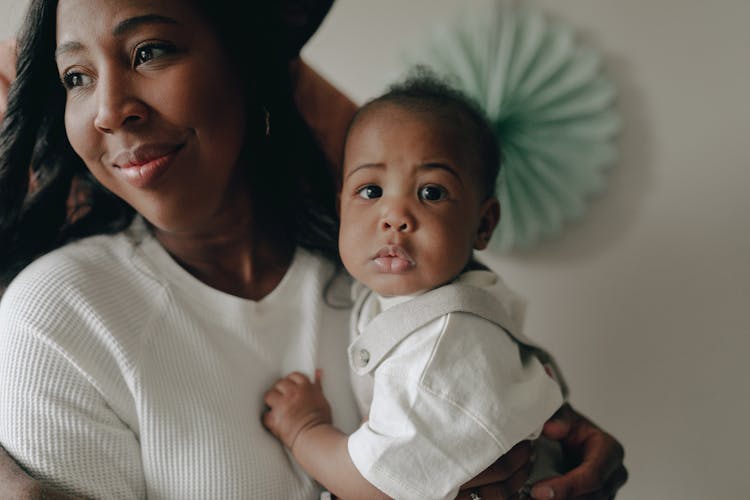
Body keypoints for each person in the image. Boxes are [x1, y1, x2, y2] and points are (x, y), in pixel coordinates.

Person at [0, 0, 627, 499]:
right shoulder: (58, 315)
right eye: (75, 77)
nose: (109, 110)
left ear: (246, 65)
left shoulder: (381, 278)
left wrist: (545, 424)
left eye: (150, 50)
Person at [262, 73, 569, 500]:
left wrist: (304, 429)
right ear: (341, 208)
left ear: (483, 225)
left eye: (430, 192)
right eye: (370, 190)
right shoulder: (387, 297)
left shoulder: (442, 345)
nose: (394, 215)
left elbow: (378, 486)